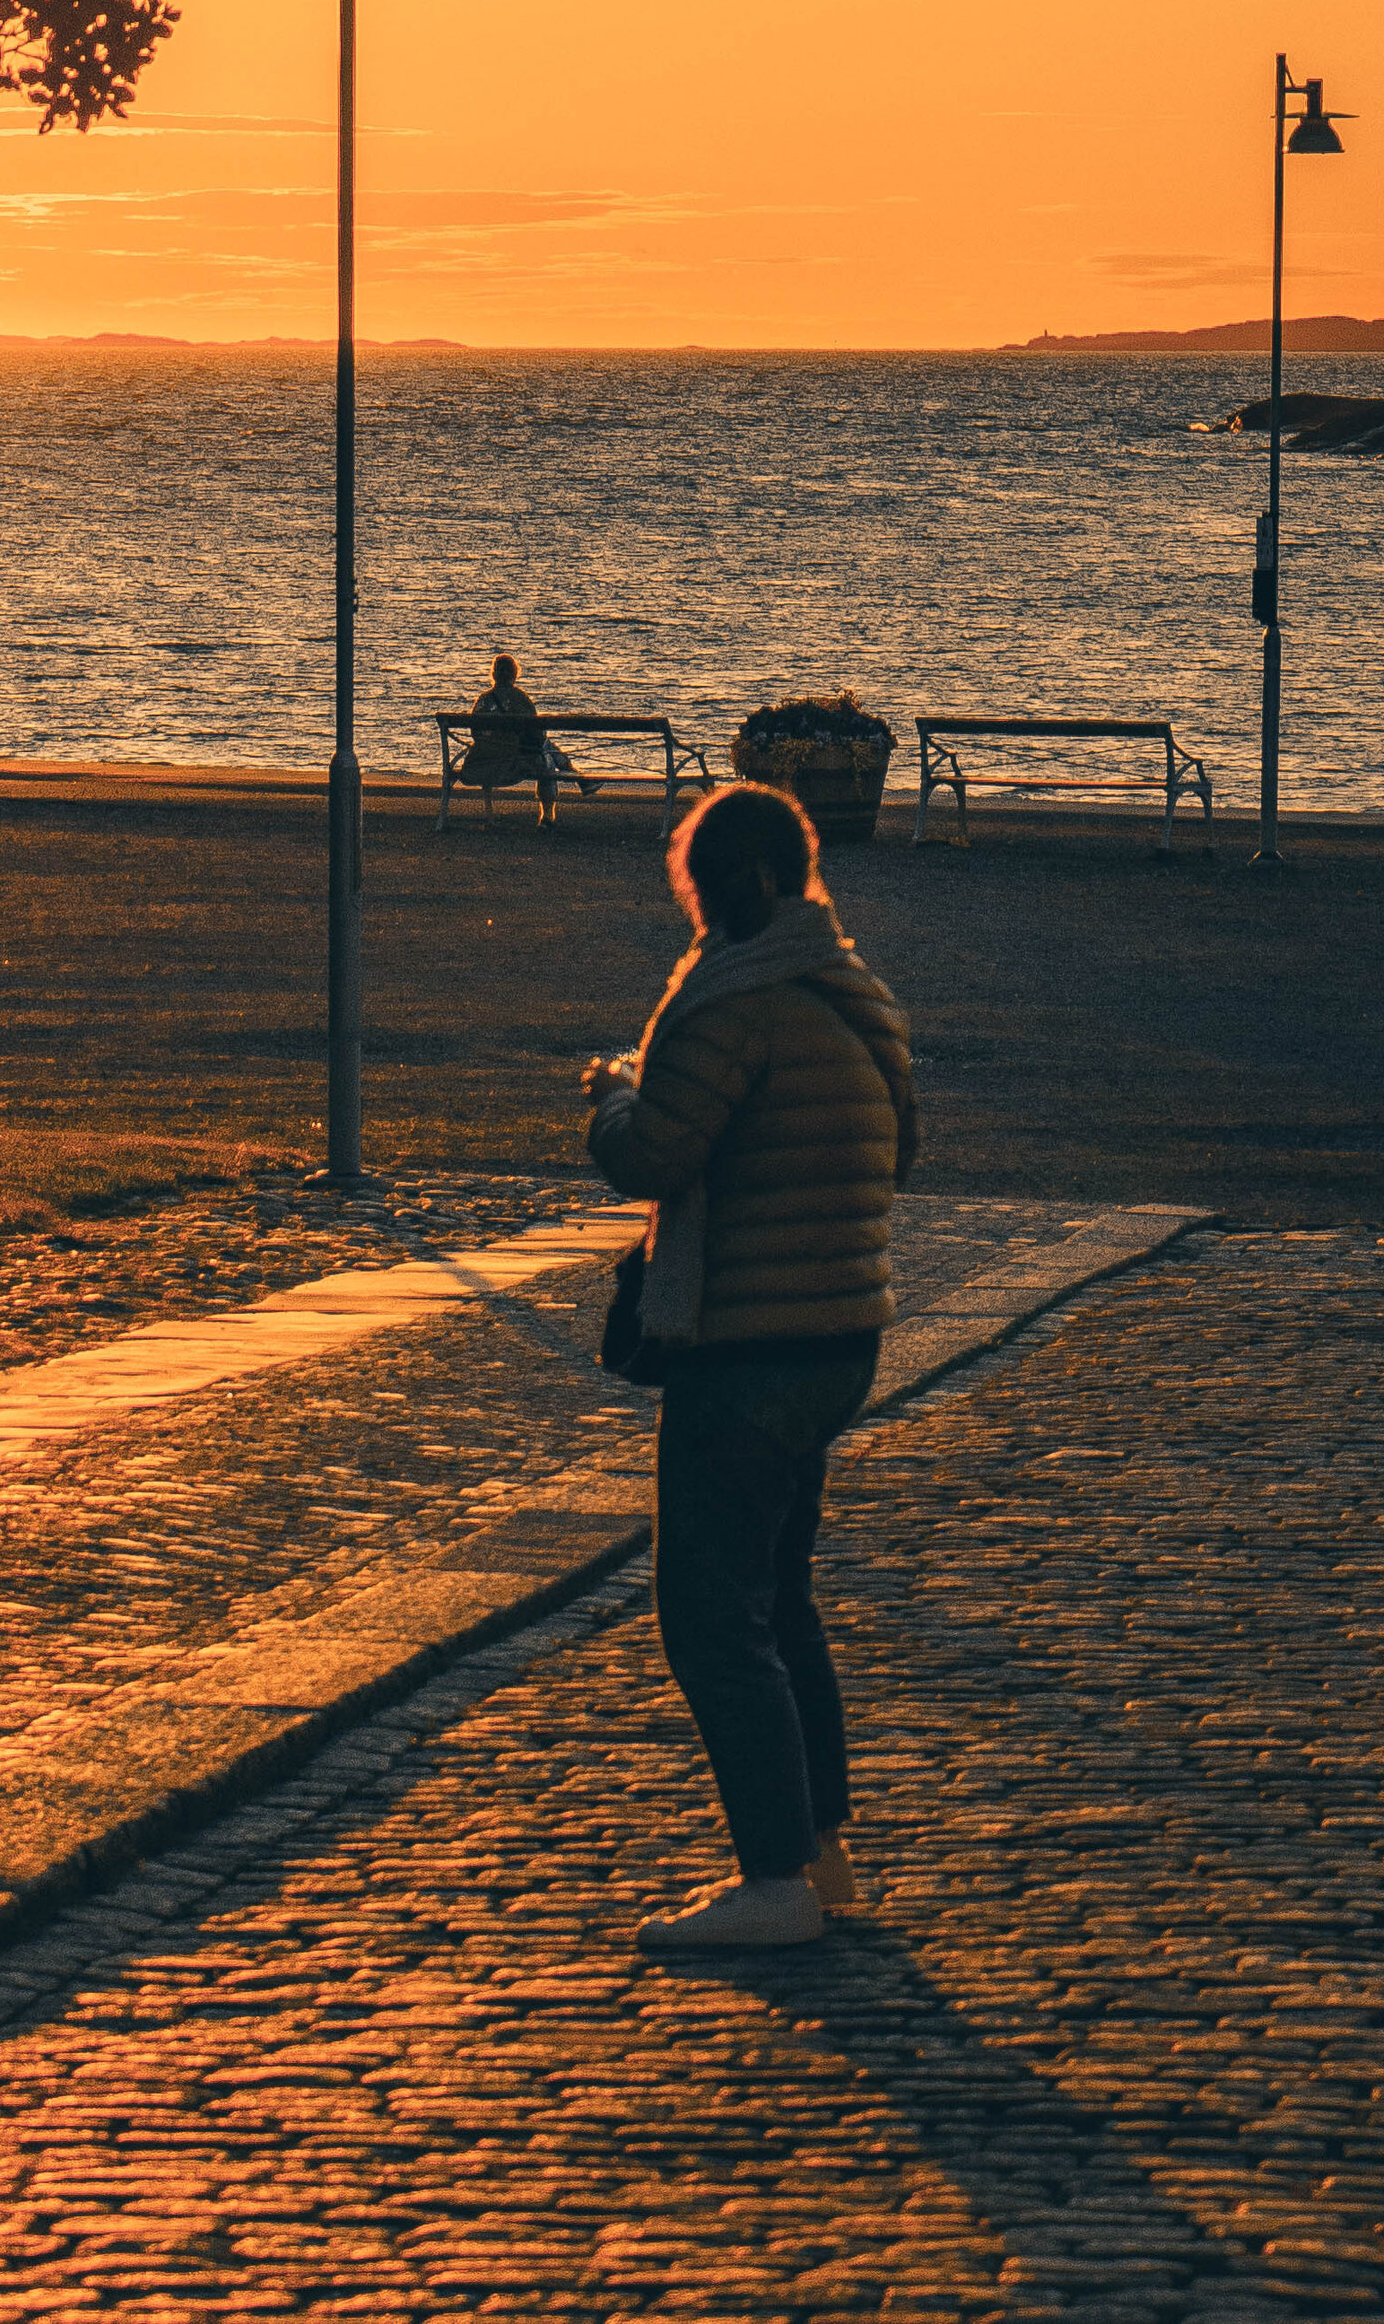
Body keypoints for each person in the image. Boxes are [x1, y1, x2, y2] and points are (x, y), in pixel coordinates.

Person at [585, 778, 914, 1956]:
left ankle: (770, 1876)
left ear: (724, 889)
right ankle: (821, 1856)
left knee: (709, 1616)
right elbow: (902, 1147)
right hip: (841, 1332)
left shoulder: (734, 1004)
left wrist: (611, 1100)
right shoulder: (853, 989)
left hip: (748, 1344)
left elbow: (656, 1156)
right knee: (779, 1597)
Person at [459, 651, 563, 824]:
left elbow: (475, 733)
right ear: (515, 675)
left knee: (545, 747)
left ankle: (571, 772)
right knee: (546, 755)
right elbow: (536, 735)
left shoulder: (483, 700)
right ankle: (547, 815)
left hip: (480, 764)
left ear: (493, 675)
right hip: (512, 765)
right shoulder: (520, 699)